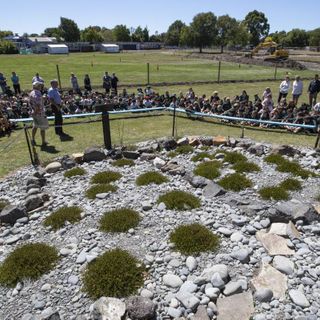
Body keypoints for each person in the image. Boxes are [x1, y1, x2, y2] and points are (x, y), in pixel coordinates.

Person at [29, 81, 48, 146]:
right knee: (42, 128)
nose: (41, 87)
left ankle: (33, 139)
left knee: (35, 126)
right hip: (39, 113)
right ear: (37, 86)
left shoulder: (32, 92)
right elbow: (37, 105)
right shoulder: (37, 94)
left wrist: (42, 98)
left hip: (35, 113)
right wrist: (36, 112)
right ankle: (43, 142)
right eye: (40, 85)